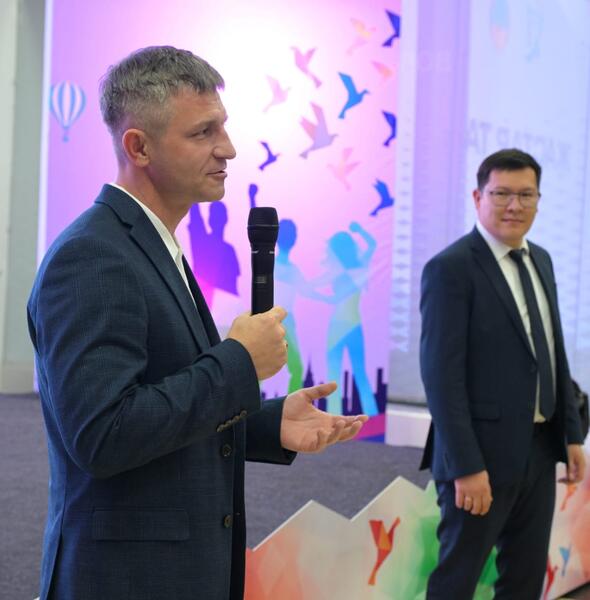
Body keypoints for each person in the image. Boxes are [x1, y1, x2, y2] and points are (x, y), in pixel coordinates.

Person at [27, 46, 367, 600]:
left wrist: (268, 424)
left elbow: (162, 398)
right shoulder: (92, 256)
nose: (228, 148)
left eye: (223, 127)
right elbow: (104, 435)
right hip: (126, 580)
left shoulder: (152, 246)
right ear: (139, 147)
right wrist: (238, 362)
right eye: (203, 132)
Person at [419, 148, 586, 599]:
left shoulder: (541, 260)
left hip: (539, 448)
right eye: (502, 194)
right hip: (480, 456)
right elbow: (441, 378)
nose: (515, 205)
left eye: (526, 195)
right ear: (478, 197)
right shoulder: (451, 269)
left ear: (538, 200)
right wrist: (467, 467)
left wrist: (571, 434)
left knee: (524, 580)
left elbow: (552, 352)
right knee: (457, 580)